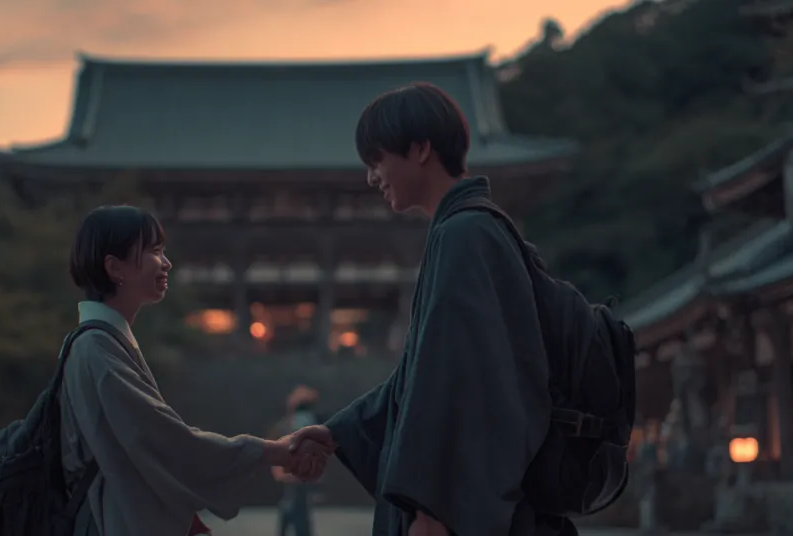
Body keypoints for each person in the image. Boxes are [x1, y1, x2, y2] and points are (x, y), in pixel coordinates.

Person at [288, 84, 555, 536]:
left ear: (420, 149)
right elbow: (420, 371)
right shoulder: (465, 230)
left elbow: (458, 382)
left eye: (378, 160)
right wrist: (338, 433)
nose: (373, 177)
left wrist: (431, 510)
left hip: (450, 515)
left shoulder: (464, 236)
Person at [61, 205, 329, 536]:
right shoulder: (96, 349)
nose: (167, 262)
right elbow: (165, 439)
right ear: (116, 267)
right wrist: (272, 451)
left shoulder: (102, 343)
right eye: (155, 251)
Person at [270, 386, 323, 536]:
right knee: (296, 506)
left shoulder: (297, 419)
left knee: (293, 504)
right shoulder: (303, 419)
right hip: (297, 470)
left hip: (295, 469)